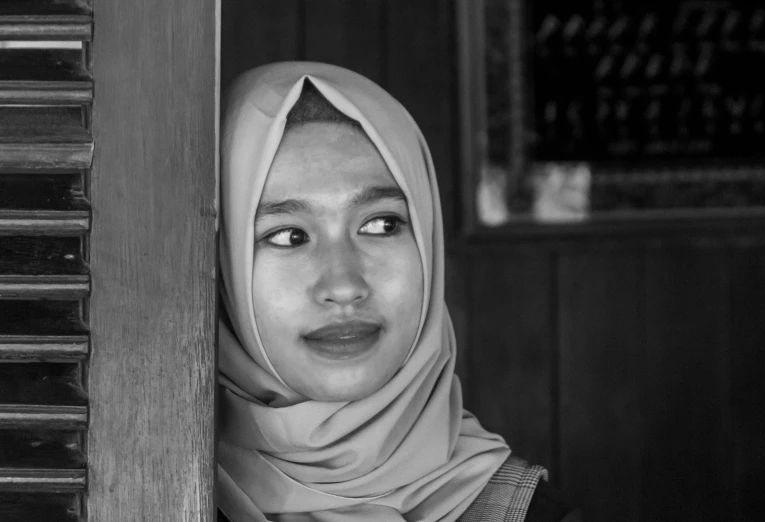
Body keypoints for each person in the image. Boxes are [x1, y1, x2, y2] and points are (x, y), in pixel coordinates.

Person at [217, 62, 580, 522]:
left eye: (381, 224)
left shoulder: (526, 515)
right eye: (288, 235)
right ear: (222, 262)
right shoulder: (140, 488)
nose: (344, 286)